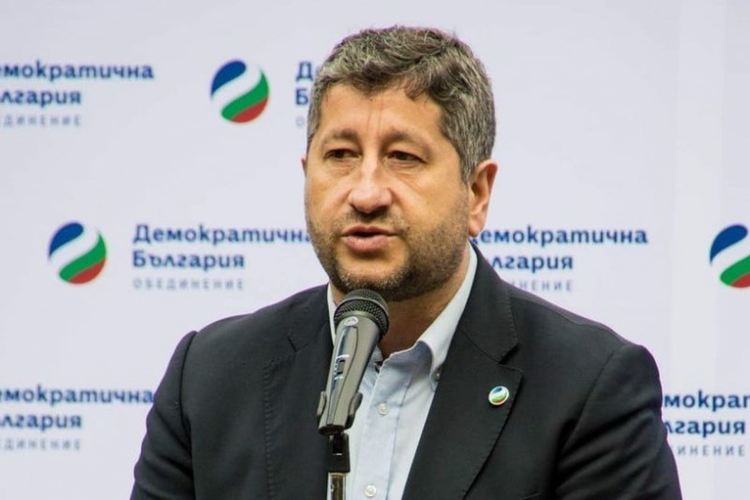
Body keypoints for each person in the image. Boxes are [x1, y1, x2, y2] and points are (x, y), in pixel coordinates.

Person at [131, 26, 681, 499]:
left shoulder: (588, 388)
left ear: (477, 192)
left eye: (403, 157)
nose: (366, 193)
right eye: (340, 155)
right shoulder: (209, 378)